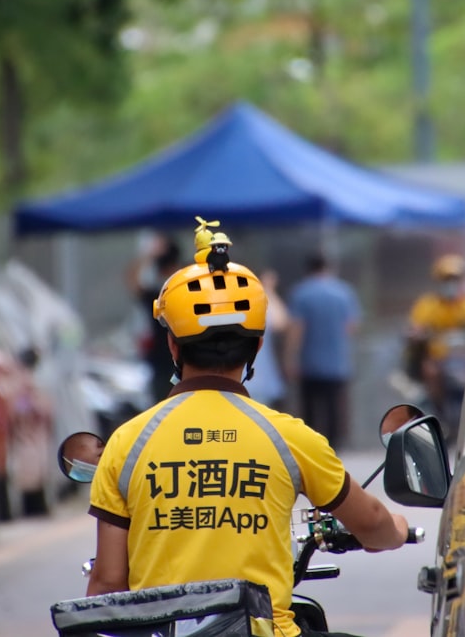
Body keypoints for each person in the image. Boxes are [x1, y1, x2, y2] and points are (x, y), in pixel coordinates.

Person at [87, 222, 409, 637]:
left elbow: (108, 585)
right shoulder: (291, 438)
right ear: (257, 346)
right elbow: (373, 524)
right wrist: (397, 529)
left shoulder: (126, 443)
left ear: (172, 346)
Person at [284, 252, 361, 451]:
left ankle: (312, 446)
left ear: (308, 269)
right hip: (337, 362)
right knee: (334, 406)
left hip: (310, 363)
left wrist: (291, 358)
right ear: (327, 268)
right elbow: (351, 326)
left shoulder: (301, 293)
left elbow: (297, 329)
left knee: (310, 407)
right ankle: (335, 445)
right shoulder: (344, 291)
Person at [404, 254, 465, 434]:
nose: (450, 284)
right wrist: (418, 334)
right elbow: (416, 328)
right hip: (438, 359)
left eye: (454, 279)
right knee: (431, 371)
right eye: (446, 280)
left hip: (464, 360)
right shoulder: (428, 305)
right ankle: (439, 410)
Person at [126, 233, 182, 402]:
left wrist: (148, 256)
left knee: (160, 408)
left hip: (160, 361)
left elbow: (132, 280)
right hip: (184, 360)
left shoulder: (157, 296)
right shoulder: (185, 294)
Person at [244, 268, 290, 411]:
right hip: (255, 373)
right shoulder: (255, 304)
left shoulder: (258, 305)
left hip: (257, 373)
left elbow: (281, 323)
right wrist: (268, 290)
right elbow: (281, 321)